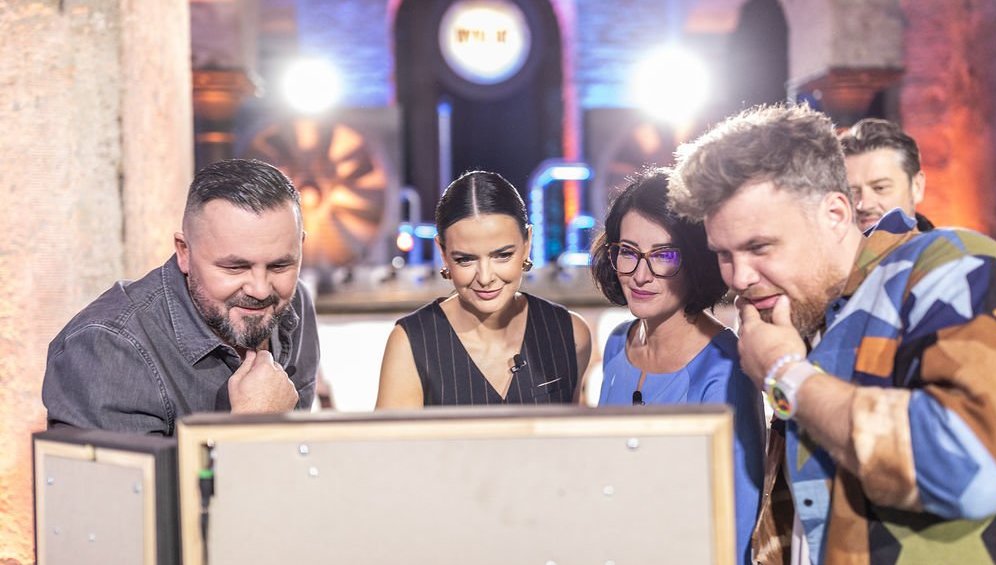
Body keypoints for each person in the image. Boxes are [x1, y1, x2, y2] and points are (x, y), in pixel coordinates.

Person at [669, 104, 996, 565]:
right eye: (724, 254)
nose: (739, 277)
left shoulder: (956, 266)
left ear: (836, 214)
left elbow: (975, 467)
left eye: (760, 247)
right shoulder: (804, 318)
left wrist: (784, 375)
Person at [43, 159, 320, 435]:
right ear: (184, 252)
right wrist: (253, 426)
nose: (260, 290)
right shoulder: (108, 348)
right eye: (235, 267)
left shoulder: (295, 303)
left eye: (279, 266)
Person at [590, 168, 765, 565]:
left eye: (664, 255)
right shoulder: (617, 342)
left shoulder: (726, 367)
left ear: (697, 260)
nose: (641, 275)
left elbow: (739, 523)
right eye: (628, 252)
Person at [376, 170, 591, 407]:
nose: (485, 278)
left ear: (527, 243)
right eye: (465, 259)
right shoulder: (411, 343)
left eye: (503, 255)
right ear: (443, 253)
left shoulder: (570, 334)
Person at [840, 117, 934, 231]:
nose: (864, 205)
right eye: (852, 192)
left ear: (917, 187)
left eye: (880, 188)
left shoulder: (949, 242)